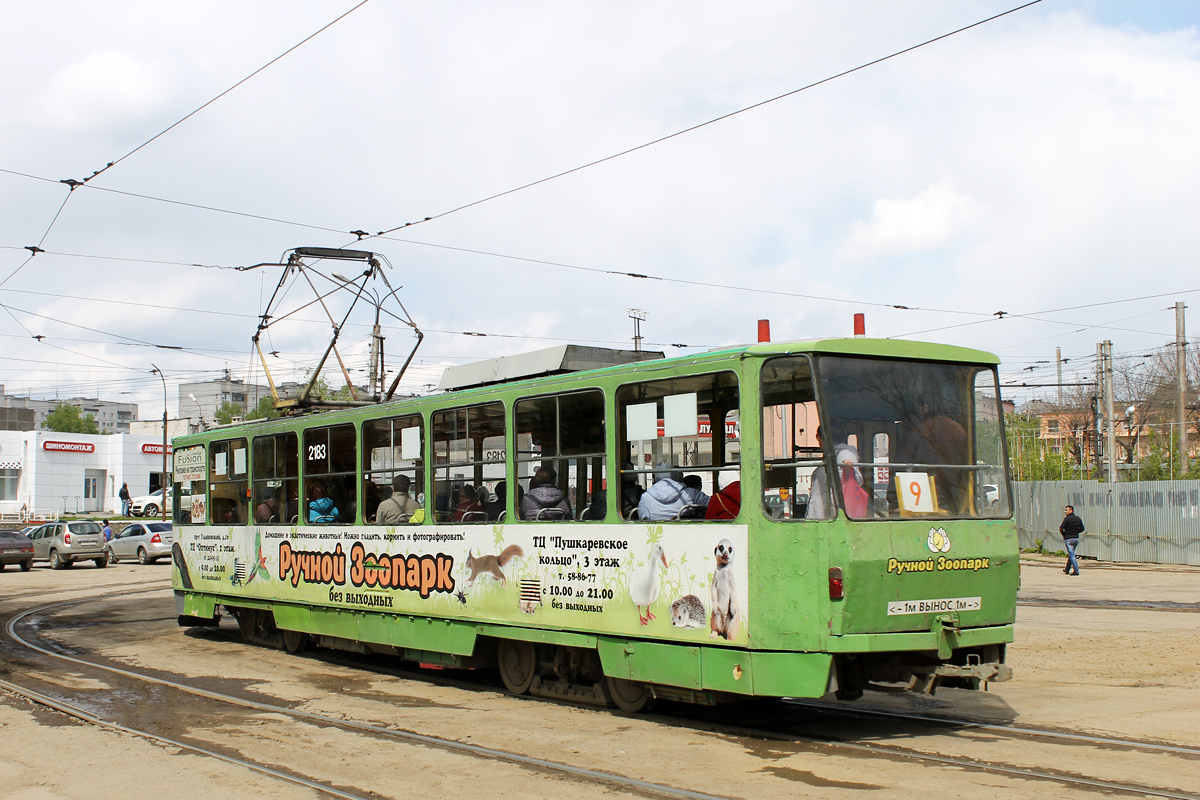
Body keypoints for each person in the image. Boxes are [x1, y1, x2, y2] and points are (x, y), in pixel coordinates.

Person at [638, 462, 709, 521]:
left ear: (655, 477)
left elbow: (643, 517)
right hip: (685, 532)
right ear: (675, 475)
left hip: (655, 534)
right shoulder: (690, 493)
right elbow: (710, 503)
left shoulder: (646, 496)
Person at [1059, 504, 1084, 575]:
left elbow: (1061, 528)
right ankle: (1067, 569)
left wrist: (1064, 534)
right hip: (1076, 538)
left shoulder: (1067, 519)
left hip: (1068, 539)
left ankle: (1076, 570)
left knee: (1072, 554)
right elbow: (1082, 528)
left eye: (1066, 510)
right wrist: (1076, 532)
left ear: (1071, 510)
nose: (1065, 511)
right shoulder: (1078, 518)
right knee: (1071, 554)